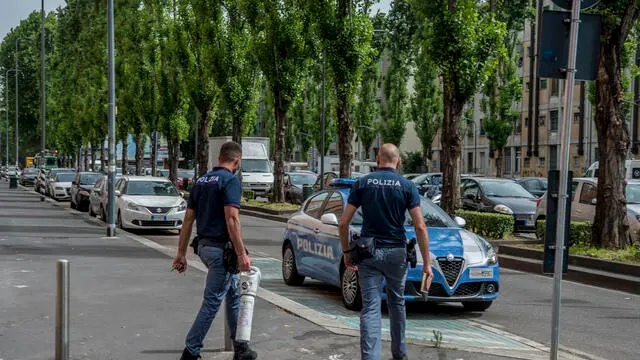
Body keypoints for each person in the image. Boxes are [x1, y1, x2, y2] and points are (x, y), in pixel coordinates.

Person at [338, 144, 433, 360]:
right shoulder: (407, 186)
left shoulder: (362, 183)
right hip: (397, 253)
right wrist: (427, 264)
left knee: (371, 307)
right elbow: (420, 226)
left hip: (368, 252)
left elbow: (343, 223)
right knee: (397, 302)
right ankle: (399, 354)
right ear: (398, 161)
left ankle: (370, 357)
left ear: (377, 160)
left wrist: (346, 252)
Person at [172, 141, 257, 360]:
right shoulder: (230, 181)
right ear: (237, 160)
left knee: (233, 295)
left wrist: (181, 254)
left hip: (204, 247)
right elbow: (232, 219)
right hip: (222, 252)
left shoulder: (200, 181)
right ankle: (190, 351)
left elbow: (188, 220)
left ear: (220, 157)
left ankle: (241, 347)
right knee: (212, 302)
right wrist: (242, 254)